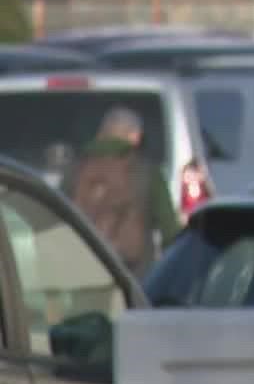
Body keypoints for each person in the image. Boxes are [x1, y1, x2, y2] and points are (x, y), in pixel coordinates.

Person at [61, 105, 178, 276]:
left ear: (102, 134)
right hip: (134, 275)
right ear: (135, 136)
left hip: (82, 271)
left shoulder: (76, 170)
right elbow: (169, 231)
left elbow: (55, 218)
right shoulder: (147, 172)